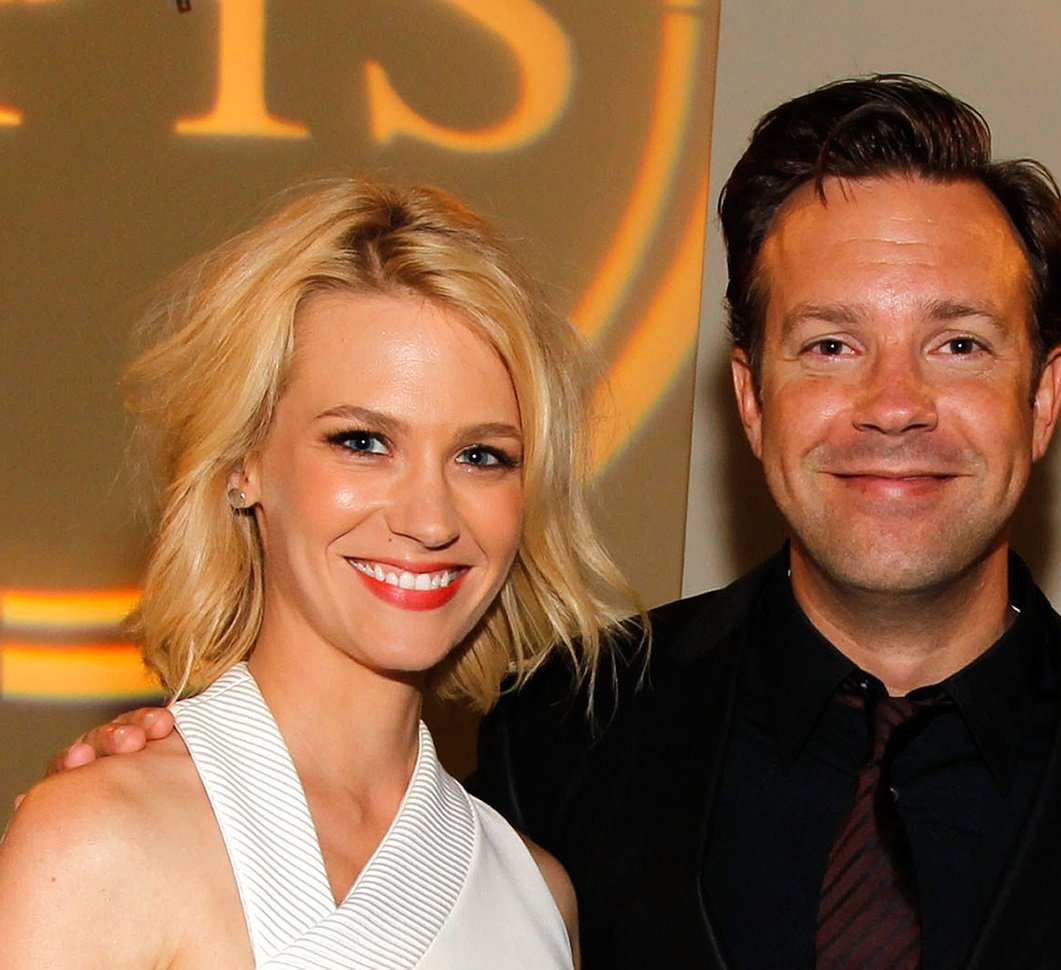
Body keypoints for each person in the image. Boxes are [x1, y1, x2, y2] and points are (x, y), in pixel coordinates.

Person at [38, 76, 1061, 969]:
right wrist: (183, 779)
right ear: (749, 394)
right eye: (831, 344)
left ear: (1043, 395)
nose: (893, 404)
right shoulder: (566, 735)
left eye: (957, 344)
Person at [0, 178, 637, 967]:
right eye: (363, 442)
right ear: (243, 464)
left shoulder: (539, 897)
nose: (431, 520)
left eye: (482, 456)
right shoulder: (101, 841)